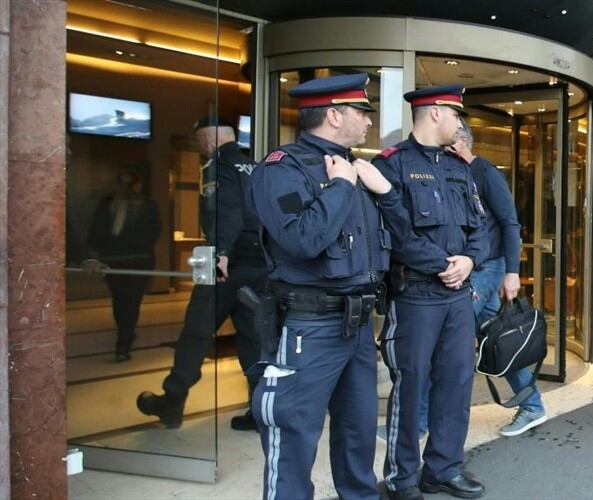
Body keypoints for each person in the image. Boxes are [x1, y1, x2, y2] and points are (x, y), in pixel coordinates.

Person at [247, 74, 393, 500]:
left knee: (358, 434)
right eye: (361, 112)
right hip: (310, 327)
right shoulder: (282, 169)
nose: (368, 122)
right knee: (293, 437)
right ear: (333, 114)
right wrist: (341, 187)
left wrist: (375, 188)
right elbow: (303, 239)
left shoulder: (356, 167)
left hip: (359, 326)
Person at [373, 85, 487, 500]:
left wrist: (470, 261)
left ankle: (442, 468)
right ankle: (402, 478)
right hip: (416, 295)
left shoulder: (459, 168)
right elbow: (396, 234)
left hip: (458, 297)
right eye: (456, 116)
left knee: (457, 382)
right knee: (411, 384)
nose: (460, 124)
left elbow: (481, 228)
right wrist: (444, 265)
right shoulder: (391, 166)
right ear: (435, 113)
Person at [136, 117, 265, 431]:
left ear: (209, 139)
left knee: (195, 334)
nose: (200, 147)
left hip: (225, 268)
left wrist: (220, 251)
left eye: (200, 141)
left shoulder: (217, 167)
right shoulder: (254, 166)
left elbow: (227, 211)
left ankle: (172, 401)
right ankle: (259, 410)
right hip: (258, 266)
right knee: (253, 340)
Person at [451, 119, 546, 437]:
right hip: (471, 269)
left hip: (486, 269)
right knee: (498, 341)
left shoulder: (485, 172)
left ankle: (423, 419)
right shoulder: (456, 173)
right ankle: (532, 405)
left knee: (448, 335)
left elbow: (509, 222)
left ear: (462, 141)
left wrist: (512, 271)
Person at [83, 169, 160, 362]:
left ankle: (124, 339)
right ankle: (125, 336)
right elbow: (95, 233)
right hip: (118, 261)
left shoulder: (146, 206)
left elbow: (153, 233)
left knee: (129, 301)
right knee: (123, 300)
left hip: (135, 260)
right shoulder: (109, 205)